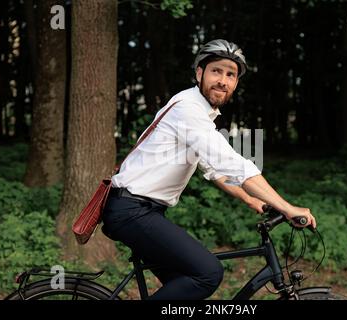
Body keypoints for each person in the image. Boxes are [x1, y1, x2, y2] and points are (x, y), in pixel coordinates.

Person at [102, 39, 316, 300]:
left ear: (236, 83)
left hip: (141, 211)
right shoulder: (188, 109)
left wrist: (253, 199)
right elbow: (233, 164)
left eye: (231, 75)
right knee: (208, 273)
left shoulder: (198, 112)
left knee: (184, 287)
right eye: (216, 71)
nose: (223, 81)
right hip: (132, 211)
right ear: (199, 73)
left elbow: (216, 170)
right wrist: (287, 207)